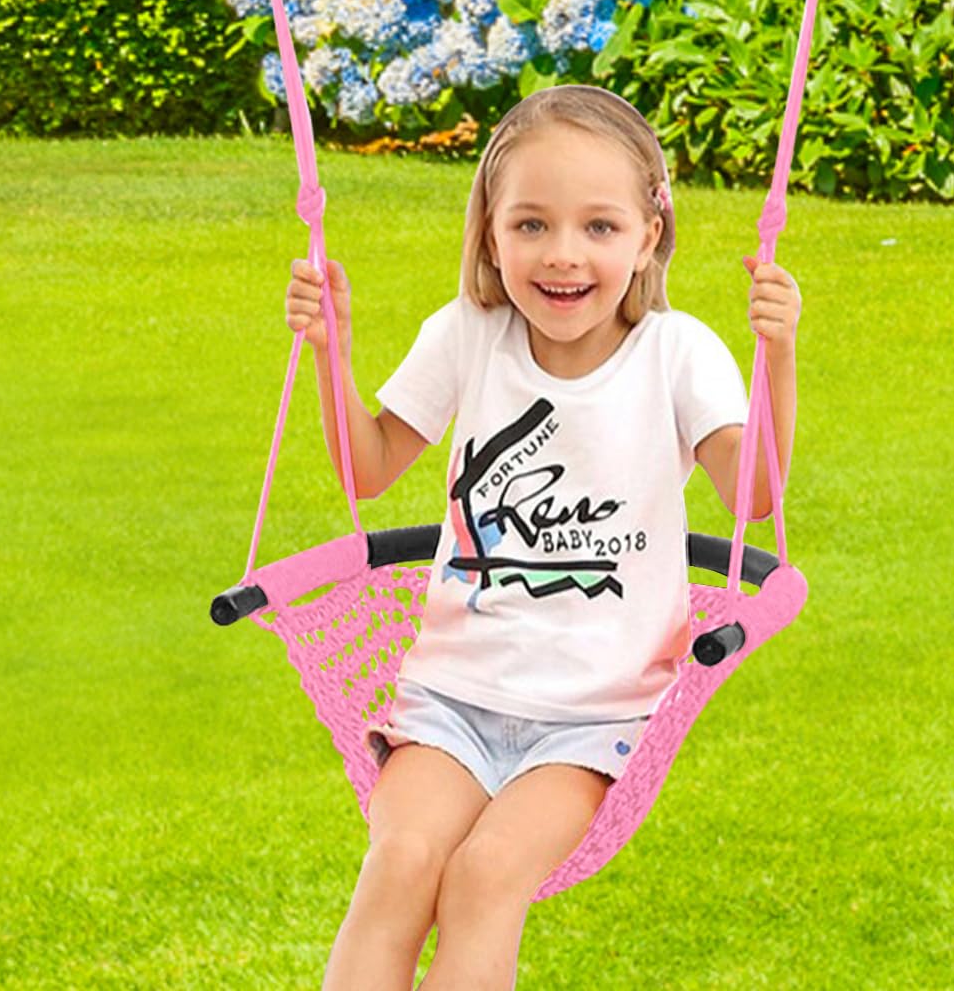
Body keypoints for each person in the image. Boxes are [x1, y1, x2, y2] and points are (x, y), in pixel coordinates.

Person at [286, 84, 800, 991]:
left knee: (486, 876)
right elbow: (367, 470)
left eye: (599, 227)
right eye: (531, 225)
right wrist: (333, 351)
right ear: (490, 232)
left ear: (650, 235)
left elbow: (753, 495)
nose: (563, 255)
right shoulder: (467, 337)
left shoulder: (679, 356)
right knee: (401, 861)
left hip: (594, 720)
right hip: (450, 700)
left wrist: (780, 357)